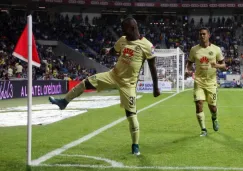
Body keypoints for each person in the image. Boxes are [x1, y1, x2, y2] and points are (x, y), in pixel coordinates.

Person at [49, 17, 161, 155]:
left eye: (124, 29)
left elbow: (153, 67)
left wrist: (156, 87)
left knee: (131, 115)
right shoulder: (122, 40)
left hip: (129, 84)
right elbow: (114, 51)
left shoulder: (147, 46)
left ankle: (135, 146)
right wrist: (107, 50)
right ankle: (64, 102)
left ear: (133, 28)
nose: (122, 32)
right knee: (86, 82)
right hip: (113, 75)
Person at [185, 27, 226, 137]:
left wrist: (217, 65)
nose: (202, 36)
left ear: (209, 35)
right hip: (198, 81)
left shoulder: (216, 49)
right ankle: (203, 129)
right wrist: (187, 70)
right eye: (200, 34)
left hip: (211, 82)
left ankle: (214, 118)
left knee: (212, 107)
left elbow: (224, 65)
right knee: (199, 104)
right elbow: (189, 63)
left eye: (204, 34)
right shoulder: (194, 49)